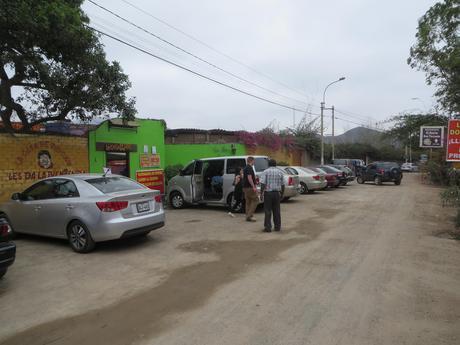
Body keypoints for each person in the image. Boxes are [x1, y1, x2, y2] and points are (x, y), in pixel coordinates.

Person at [260, 159, 285, 232]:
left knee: (268, 211)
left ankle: (268, 227)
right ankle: (277, 227)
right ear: (275, 164)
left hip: (268, 193)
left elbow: (263, 184)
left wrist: (261, 193)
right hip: (276, 193)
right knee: (277, 211)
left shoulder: (265, 172)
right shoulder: (280, 172)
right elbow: (283, 184)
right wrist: (282, 194)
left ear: (268, 164)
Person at [243, 156, 259, 222]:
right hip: (249, 187)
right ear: (251, 161)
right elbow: (249, 178)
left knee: (248, 201)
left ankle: (247, 215)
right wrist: (253, 187)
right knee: (256, 200)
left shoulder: (245, 168)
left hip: (245, 187)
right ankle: (249, 216)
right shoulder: (249, 168)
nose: (254, 162)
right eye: (253, 161)